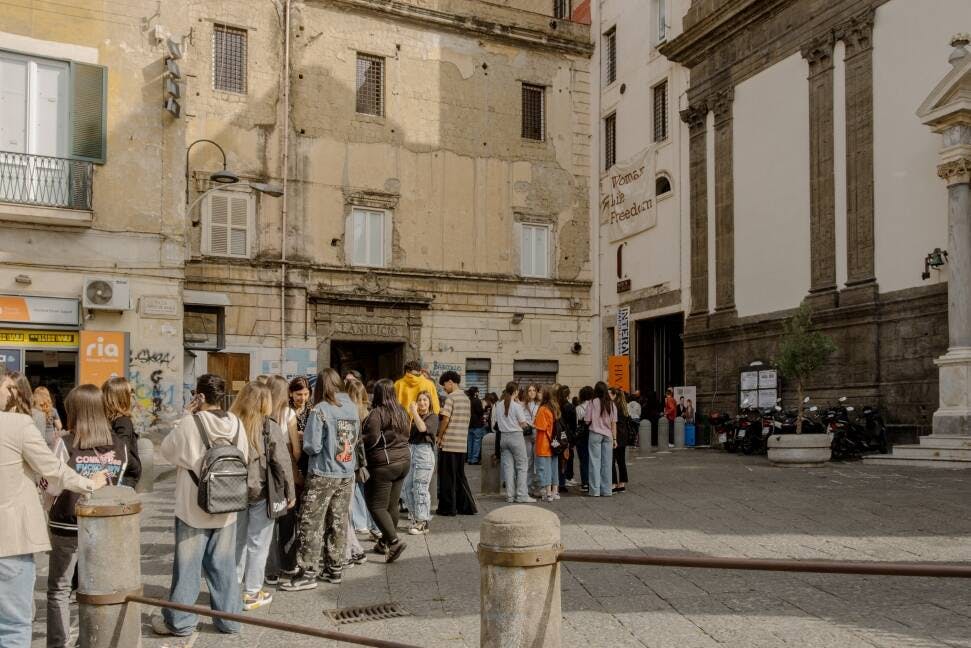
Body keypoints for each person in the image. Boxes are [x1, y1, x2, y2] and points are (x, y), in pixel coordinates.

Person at [0, 374, 108, 647]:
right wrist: (89, 483)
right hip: (9, 539)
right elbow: (54, 469)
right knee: (13, 626)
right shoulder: (16, 425)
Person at [153, 374, 249, 637]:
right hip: (227, 506)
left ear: (201, 397)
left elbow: (168, 451)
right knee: (224, 565)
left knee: (188, 566)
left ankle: (181, 621)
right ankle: (230, 621)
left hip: (192, 508)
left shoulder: (189, 423)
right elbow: (245, 459)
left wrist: (184, 415)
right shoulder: (237, 424)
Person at [46, 384, 129, 648]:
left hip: (67, 523)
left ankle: (58, 643)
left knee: (60, 588)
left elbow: (53, 486)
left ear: (75, 411)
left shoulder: (66, 443)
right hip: (103, 527)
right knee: (93, 587)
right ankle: (91, 639)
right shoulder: (119, 445)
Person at [282, 369, 360, 590]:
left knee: (311, 521)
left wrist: (304, 436)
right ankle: (334, 568)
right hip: (346, 472)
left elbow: (312, 446)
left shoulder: (320, 410)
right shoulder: (352, 408)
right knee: (338, 521)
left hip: (323, 472)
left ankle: (307, 572)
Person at [231, 382, 295, 610]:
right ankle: (251, 593)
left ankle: (230, 591)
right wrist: (290, 491)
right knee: (258, 544)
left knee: (236, 542)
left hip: (232, 493)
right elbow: (282, 462)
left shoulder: (231, 423)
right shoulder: (269, 426)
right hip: (261, 491)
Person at [361, 379, 411, 562]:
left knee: (376, 506)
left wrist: (359, 439)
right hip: (404, 461)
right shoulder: (402, 411)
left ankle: (394, 542)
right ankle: (383, 543)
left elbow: (372, 438)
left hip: (384, 464)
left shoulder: (377, 413)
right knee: (391, 505)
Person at [436, 371, 478, 516]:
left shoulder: (451, 398)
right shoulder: (466, 399)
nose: (444, 388)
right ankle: (466, 507)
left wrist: (439, 436)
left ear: (450, 382)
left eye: (444, 385)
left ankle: (448, 508)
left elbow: (445, 420)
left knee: (447, 478)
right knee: (460, 477)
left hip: (449, 443)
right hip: (461, 444)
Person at [342, 379, 370, 568]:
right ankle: (355, 547)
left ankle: (351, 550)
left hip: (347, 464)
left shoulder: (346, 412)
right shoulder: (365, 412)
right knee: (354, 501)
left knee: (346, 508)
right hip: (358, 464)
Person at [402, 391, 438, 534]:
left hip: (424, 453)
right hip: (412, 451)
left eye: (425, 400)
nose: (422, 403)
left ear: (430, 403)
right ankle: (415, 517)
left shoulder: (433, 417)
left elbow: (423, 428)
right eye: (420, 400)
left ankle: (422, 521)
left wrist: (413, 412)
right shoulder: (415, 417)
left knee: (420, 488)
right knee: (405, 487)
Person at [491, 382, 532, 503]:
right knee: (522, 466)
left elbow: (497, 422)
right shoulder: (516, 406)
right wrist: (530, 425)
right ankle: (521, 495)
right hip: (516, 437)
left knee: (508, 467)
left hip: (503, 437)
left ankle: (509, 495)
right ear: (516, 391)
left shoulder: (498, 405)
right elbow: (523, 423)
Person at [102, 376, 141, 488]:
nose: (133, 395)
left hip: (111, 475)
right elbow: (122, 453)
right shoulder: (123, 421)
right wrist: (136, 468)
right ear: (121, 397)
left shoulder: (104, 419)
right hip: (124, 477)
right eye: (130, 392)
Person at [584, 381, 617, 498]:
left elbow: (587, 420)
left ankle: (595, 491)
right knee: (607, 464)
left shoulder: (592, 403)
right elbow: (614, 423)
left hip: (595, 434)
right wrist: (615, 439)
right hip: (608, 435)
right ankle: (607, 490)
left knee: (594, 462)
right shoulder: (611, 404)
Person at [533, 386, 560, 502]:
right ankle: (555, 491)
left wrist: (532, 424)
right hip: (555, 442)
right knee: (554, 467)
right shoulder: (556, 408)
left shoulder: (543, 409)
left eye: (541, 393)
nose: (538, 394)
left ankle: (547, 492)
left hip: (544, 442)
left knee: (544, 468)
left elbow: (540, 426)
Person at [556, 385, 577, 491]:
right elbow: (574, 425)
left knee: (557, 458)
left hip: (557, 435)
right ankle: (562, 482)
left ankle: (557, 482)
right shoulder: (570, 406)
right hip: (567, 436)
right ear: (568, 395)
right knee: (566, 458)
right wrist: (572, 440)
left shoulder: (556, 405)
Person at [611, 388, 631, 493]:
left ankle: (613, 483)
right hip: (624, 437)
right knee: (621, 461)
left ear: (614, 395)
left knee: (612, 461)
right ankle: (622, 483)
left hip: (616, 435)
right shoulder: (624, 406)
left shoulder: (613, 406)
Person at [575, 386, 594, 492]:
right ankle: (593, 481)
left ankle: (585, 482)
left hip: (581, 436)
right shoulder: (594, 407)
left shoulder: (578, 408)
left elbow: (576, 423)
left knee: (583, 459)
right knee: (593, 458)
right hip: (592, 434)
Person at [32, 385, 63, 451]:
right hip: (50, 440)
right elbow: (59, 426)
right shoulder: (52, 410)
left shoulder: (32, 411)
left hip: (37, 440)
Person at [466, 386, 486, 465]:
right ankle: (474, 459)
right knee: (476, 442)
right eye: (478, 391)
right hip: (477, 424)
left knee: (470, 442)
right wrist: (483, 407)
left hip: (469, 424)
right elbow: (480, 412)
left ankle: (469, 458)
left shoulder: (467, 400)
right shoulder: (477, 401)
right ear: (476, 393)